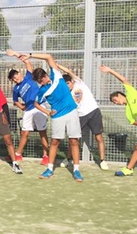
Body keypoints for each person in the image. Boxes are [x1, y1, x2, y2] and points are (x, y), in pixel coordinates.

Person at [7, 50, 83, 182]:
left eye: (41, 80)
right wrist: (48, 112)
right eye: (38, 81)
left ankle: (76, 170)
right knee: (54, 142)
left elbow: (48, 57)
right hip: (57, 116)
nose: (41, 83)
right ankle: (49, 168)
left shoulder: (57, 75)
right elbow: (36, 103)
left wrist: (29, 55)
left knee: (74, 141)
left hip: (71, 112)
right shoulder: (41, 90)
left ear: (45, 76)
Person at [58, 64, 109, 170]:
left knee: (98, 137)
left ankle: (103, 161)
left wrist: (57, 65)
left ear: (72, 81)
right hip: (80, 117)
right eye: (65, 84)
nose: (67, 86)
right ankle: (68, 159)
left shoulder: (79, 83)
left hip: (93, 112)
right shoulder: (65, 94)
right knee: (74, 139)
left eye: (68, 83)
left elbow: (68, 70)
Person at [8, 60, 50, 166]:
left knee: (42, 132)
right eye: (13, 79)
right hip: (28, 110)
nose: (15, 79)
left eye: (15, 76)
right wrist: (22, 107)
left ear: (19, 73)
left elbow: (28, 64)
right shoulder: (16, 89)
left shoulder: (29, 76)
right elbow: (15, 101)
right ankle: (18, 154)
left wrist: (23, 58)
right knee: (24, 132)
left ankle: (46, 156)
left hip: (39, 106)